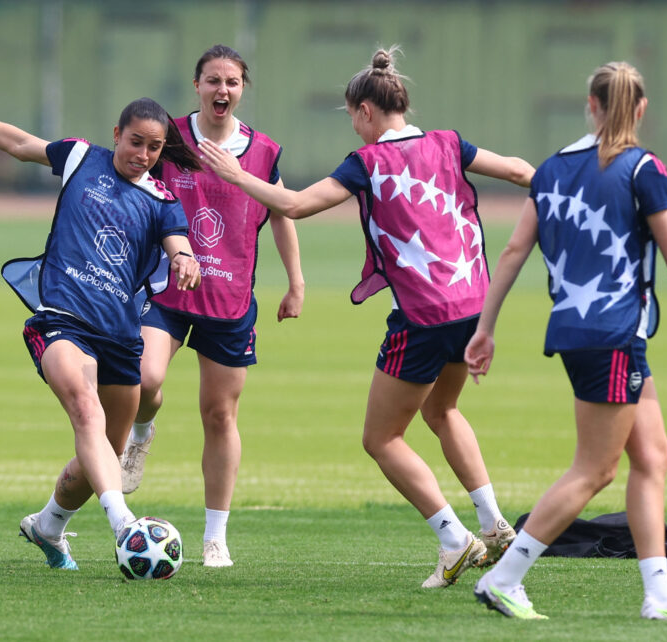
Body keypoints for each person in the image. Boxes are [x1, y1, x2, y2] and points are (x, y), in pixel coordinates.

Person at [198, 47, 534, 587]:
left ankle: (455, 540)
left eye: (352, 117)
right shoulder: (448, 143)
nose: (354, 127)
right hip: (473, 304)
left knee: (381, 439)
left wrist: (236, 176)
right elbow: (519, 171)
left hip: (422, 316)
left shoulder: (368, 161)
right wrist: (564, 194)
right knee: (443, 410)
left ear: (365, 112)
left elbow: (297, 205)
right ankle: (494, 525)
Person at [463, 62, 667, 620]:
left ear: (590, 106)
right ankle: (504, 578)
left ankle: (659, 593)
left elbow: (515, 251)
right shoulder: (643, 168)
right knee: (595, 469)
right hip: (612, 333)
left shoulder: (552, 168)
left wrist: (485, 328)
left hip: (578, 330)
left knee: (652, 455)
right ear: (641, 110)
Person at [0, 88, 202, 571]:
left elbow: (178, 241)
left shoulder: (162, 200)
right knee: (85, 412)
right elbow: (16, 143)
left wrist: (184, 257)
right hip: (61, 321)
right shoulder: (79, 158)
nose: (144, 155)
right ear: (116, 135)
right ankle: (124, 527)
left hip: (119, 336)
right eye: (136, 142)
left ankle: (48, 526)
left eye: (154, 148)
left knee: (103, 461)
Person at [118, 44, 305, 568]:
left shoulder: (263, 152)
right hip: (168, 291)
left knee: (220, 414)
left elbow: (283, 211)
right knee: (144, 380)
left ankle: (215, 538)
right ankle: (141, 432)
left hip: (229, 302)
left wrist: (296, 282)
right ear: (197, 85)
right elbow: (133, 181)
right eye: (213, 80)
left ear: (242, 88)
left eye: (232, 82)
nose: (222, 90)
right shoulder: (171, 138)